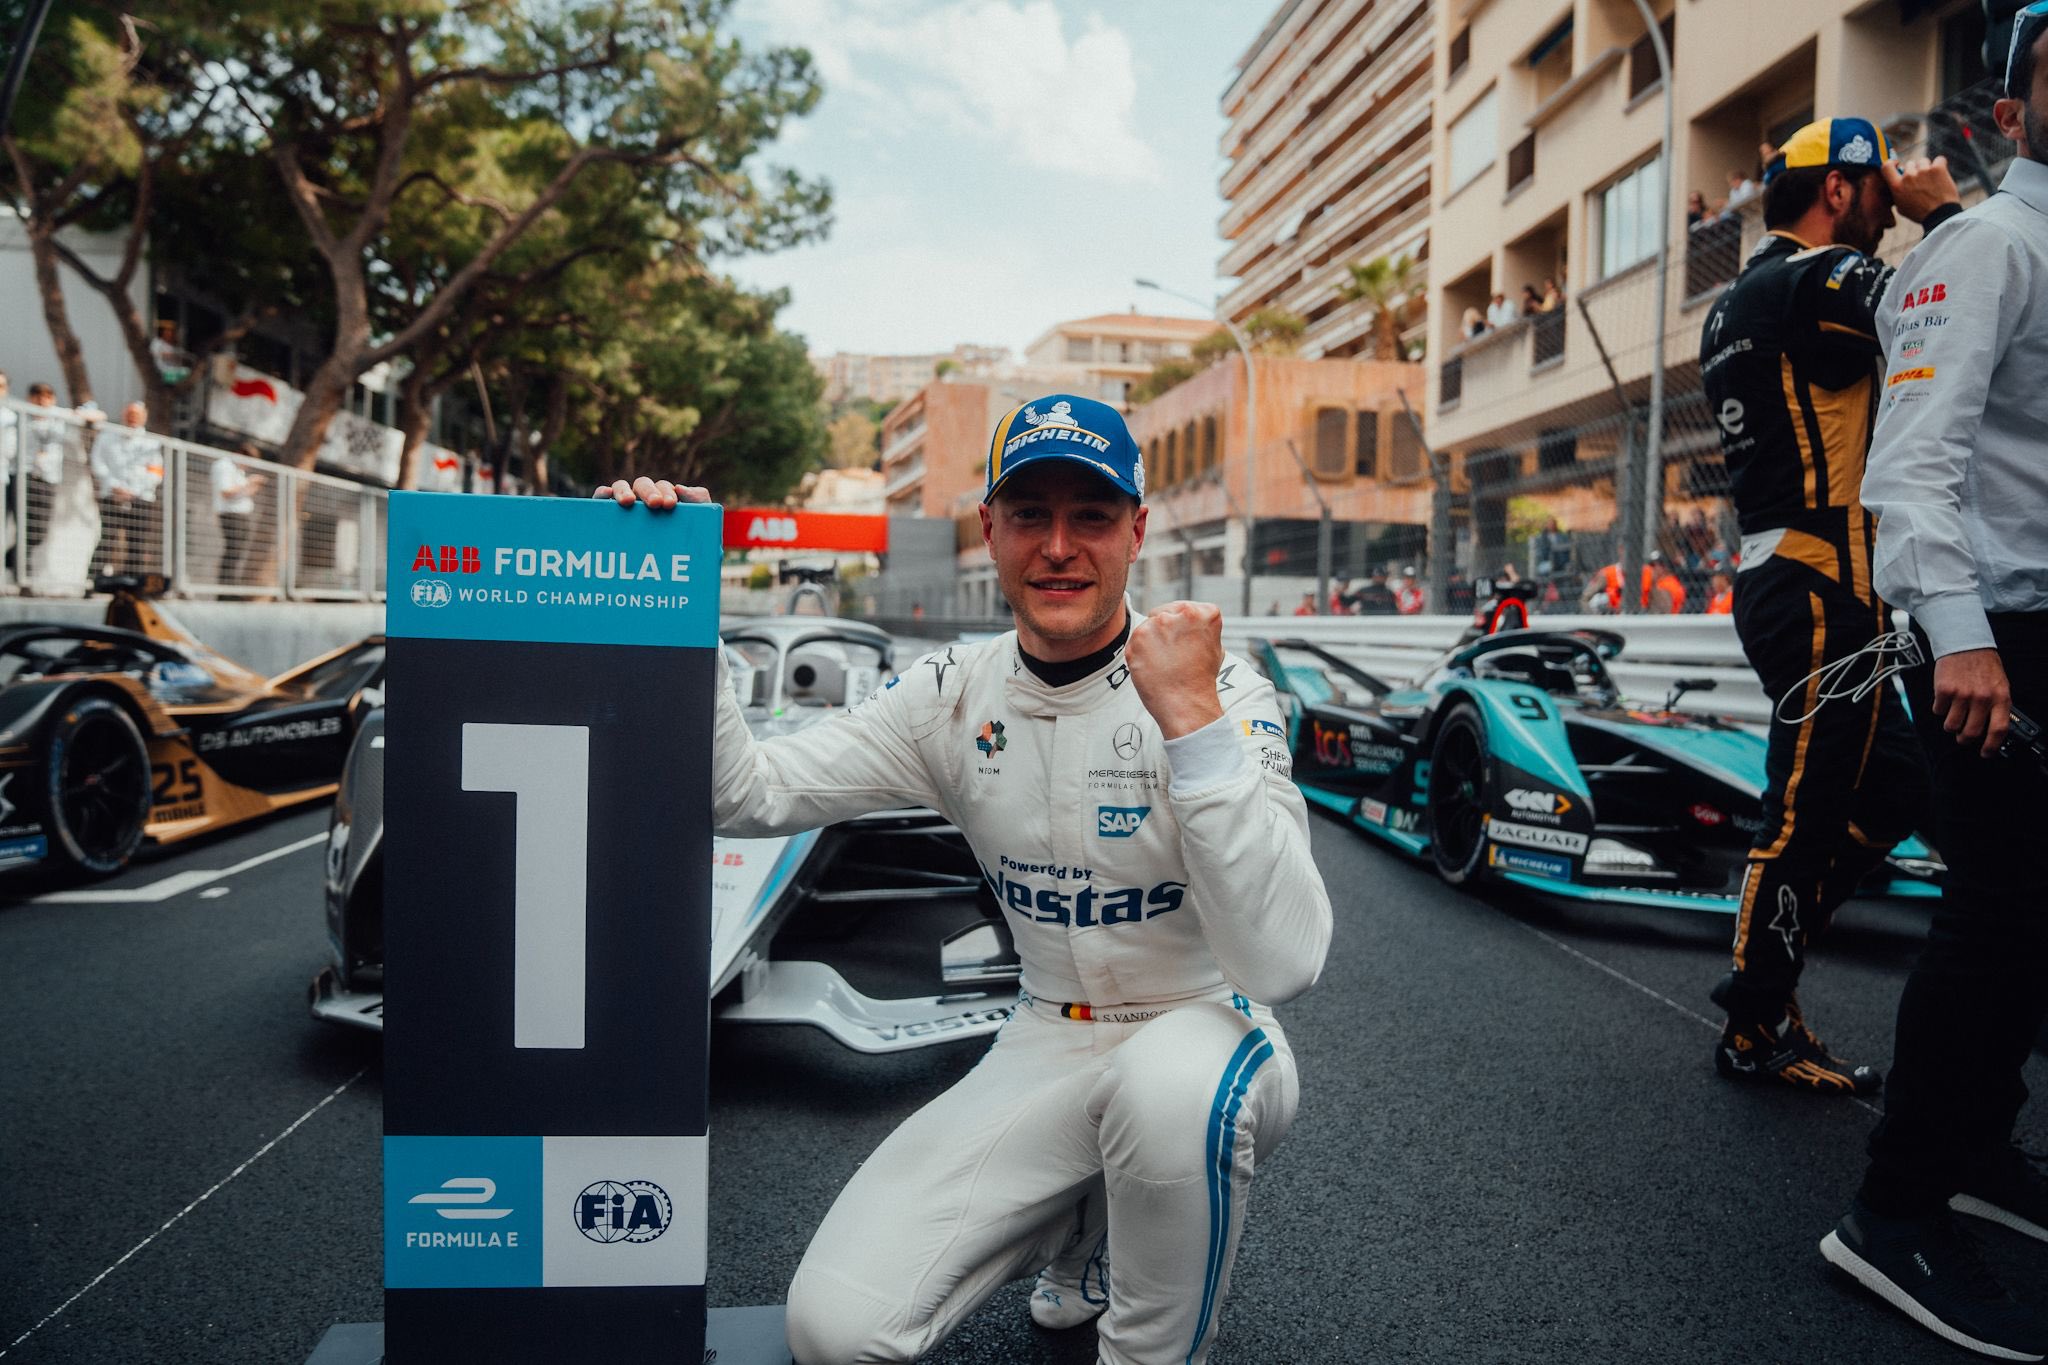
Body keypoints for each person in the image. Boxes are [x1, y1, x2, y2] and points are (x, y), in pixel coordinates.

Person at [595, 393, 1332, 1365]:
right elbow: (748, 796)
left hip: (1209, 1024)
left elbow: (1282, 962)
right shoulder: (950, 693)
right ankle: (1087, 1231)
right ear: (990, 530)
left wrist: (1191, 725)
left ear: (1136, 532)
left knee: (1165, 1095)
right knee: (833, 1330)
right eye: (1030, 515)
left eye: (1092, 516)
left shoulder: (1215, 685)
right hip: (1046, 1031)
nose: (1059, 546)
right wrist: (676, 597)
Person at [1820, 15, 2048, 1356]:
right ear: (2012, 112)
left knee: (2033, 924)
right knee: (2000, 917)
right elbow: (1907, 468)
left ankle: (1974, 1146)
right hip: (1991, 635)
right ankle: (1892, 1209)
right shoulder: (1991, 245)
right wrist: (1960, 636)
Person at [1696, 116, 1961, 1094]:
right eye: (1874, 192)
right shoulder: (1813, 280)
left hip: (1799, 580)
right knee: (1801, 815)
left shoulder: (1737, 300)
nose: (1885, 209)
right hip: (1816, 586)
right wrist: (1943, 220)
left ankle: (1777, 953)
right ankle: (1752, 1023)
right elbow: (1951, 309)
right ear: (1839, 191)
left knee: (1896, 790)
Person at [90, 401, 162, 577]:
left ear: (144, 417)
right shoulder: (107, 436)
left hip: (141, 498)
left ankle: (132, 585)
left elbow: (156, 472)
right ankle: (93, 582)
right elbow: (97, 463)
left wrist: (134, 491)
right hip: (112, 495)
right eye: (130, 414)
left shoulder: (152, 443)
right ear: (123, 414)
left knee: (137, 543)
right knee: (108, 538)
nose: (133, 418)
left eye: (137, 414)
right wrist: (115, 487)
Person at [212, 445, 266, 585]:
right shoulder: (225, 466)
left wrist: (253, 487)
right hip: (231, 514)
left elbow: (241, 494)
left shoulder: (238, 471)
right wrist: (249, 482)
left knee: (238, 551)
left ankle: (230, 585)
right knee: (233, 550)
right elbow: (227, 492)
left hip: (241, 514)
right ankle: (225, 588)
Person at [1582, 552, 1685, 614]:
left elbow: (1662, 606)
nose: (1653, 568)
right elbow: (1585, 599)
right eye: (1651, 565)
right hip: (1612, 618)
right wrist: (1598, 618)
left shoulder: (1649, 574)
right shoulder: (1607, 573)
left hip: (1640, 616)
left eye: (1656, 565)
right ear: (1621, 550)